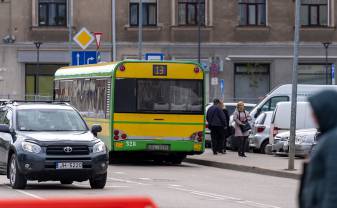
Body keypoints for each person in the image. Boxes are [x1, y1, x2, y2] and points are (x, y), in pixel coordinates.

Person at [299, 90, 337, 208]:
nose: (313, 116)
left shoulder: (333, 140)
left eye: (316, 112)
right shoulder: (327, 135)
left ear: (327, 111)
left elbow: (334, 185)